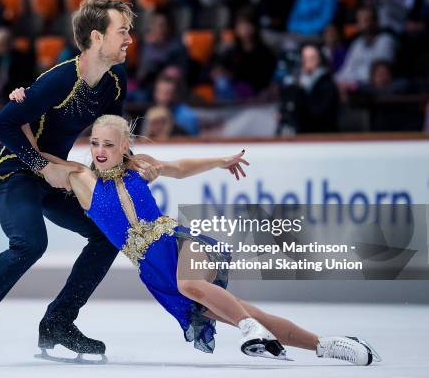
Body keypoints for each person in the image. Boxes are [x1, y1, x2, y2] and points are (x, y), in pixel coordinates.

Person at [32, 114, 381, 365]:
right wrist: (18, 112)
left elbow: (180, 167)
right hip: (155, 271)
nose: (100, 150)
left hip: (179, 242)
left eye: (109, 143)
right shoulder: (79, 178)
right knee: (247, 310)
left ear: (125, 145)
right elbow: (31, 155)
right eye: (95, 143)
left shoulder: (140, 164)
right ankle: (329, 345)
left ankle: (250, 330)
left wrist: (220, 161)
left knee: (192, 285)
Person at [0, 0, 158, 365]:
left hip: (54, 176)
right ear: (97, 37)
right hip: (15, 170)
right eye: (123, 30)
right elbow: (1, 123)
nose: (130, 38)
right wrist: (41, 166)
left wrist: (133, 164)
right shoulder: (59, 80)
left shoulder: (115, 79)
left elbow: (113, 134)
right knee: (29, 244)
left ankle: (58, 323)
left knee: (105, 235)